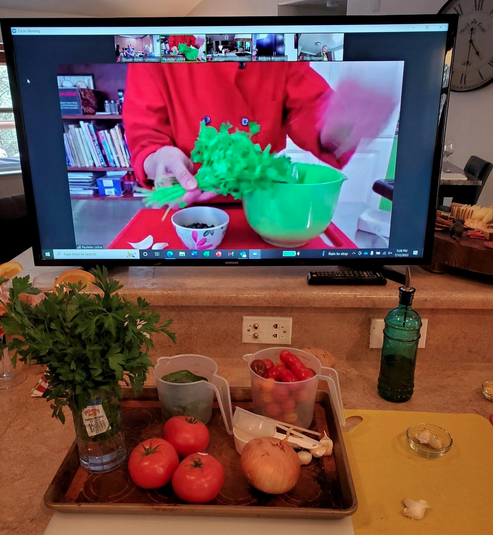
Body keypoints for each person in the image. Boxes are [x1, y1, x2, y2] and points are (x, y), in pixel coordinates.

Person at [123, 62, 396, 206]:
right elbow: (145, 135)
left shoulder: (272, 42)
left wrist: (341, 125)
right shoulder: (157, 40)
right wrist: (157, 158)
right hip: (184, 205)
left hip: (262, 203)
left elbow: (312, 110)